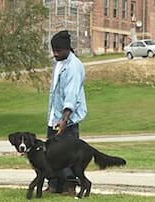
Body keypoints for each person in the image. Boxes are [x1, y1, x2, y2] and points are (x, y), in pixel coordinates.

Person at [45, 30, 87, 195]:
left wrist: (64, 119)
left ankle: (69, 187)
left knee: (68, 155)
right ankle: (54, 185)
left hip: (67, 120)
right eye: (53, 50)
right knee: (51, 153)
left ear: (68, 49)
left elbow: (71, 95)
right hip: (54, 118)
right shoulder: (58, 63)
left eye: (58, 51)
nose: (55, 53)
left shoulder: (74, 66)